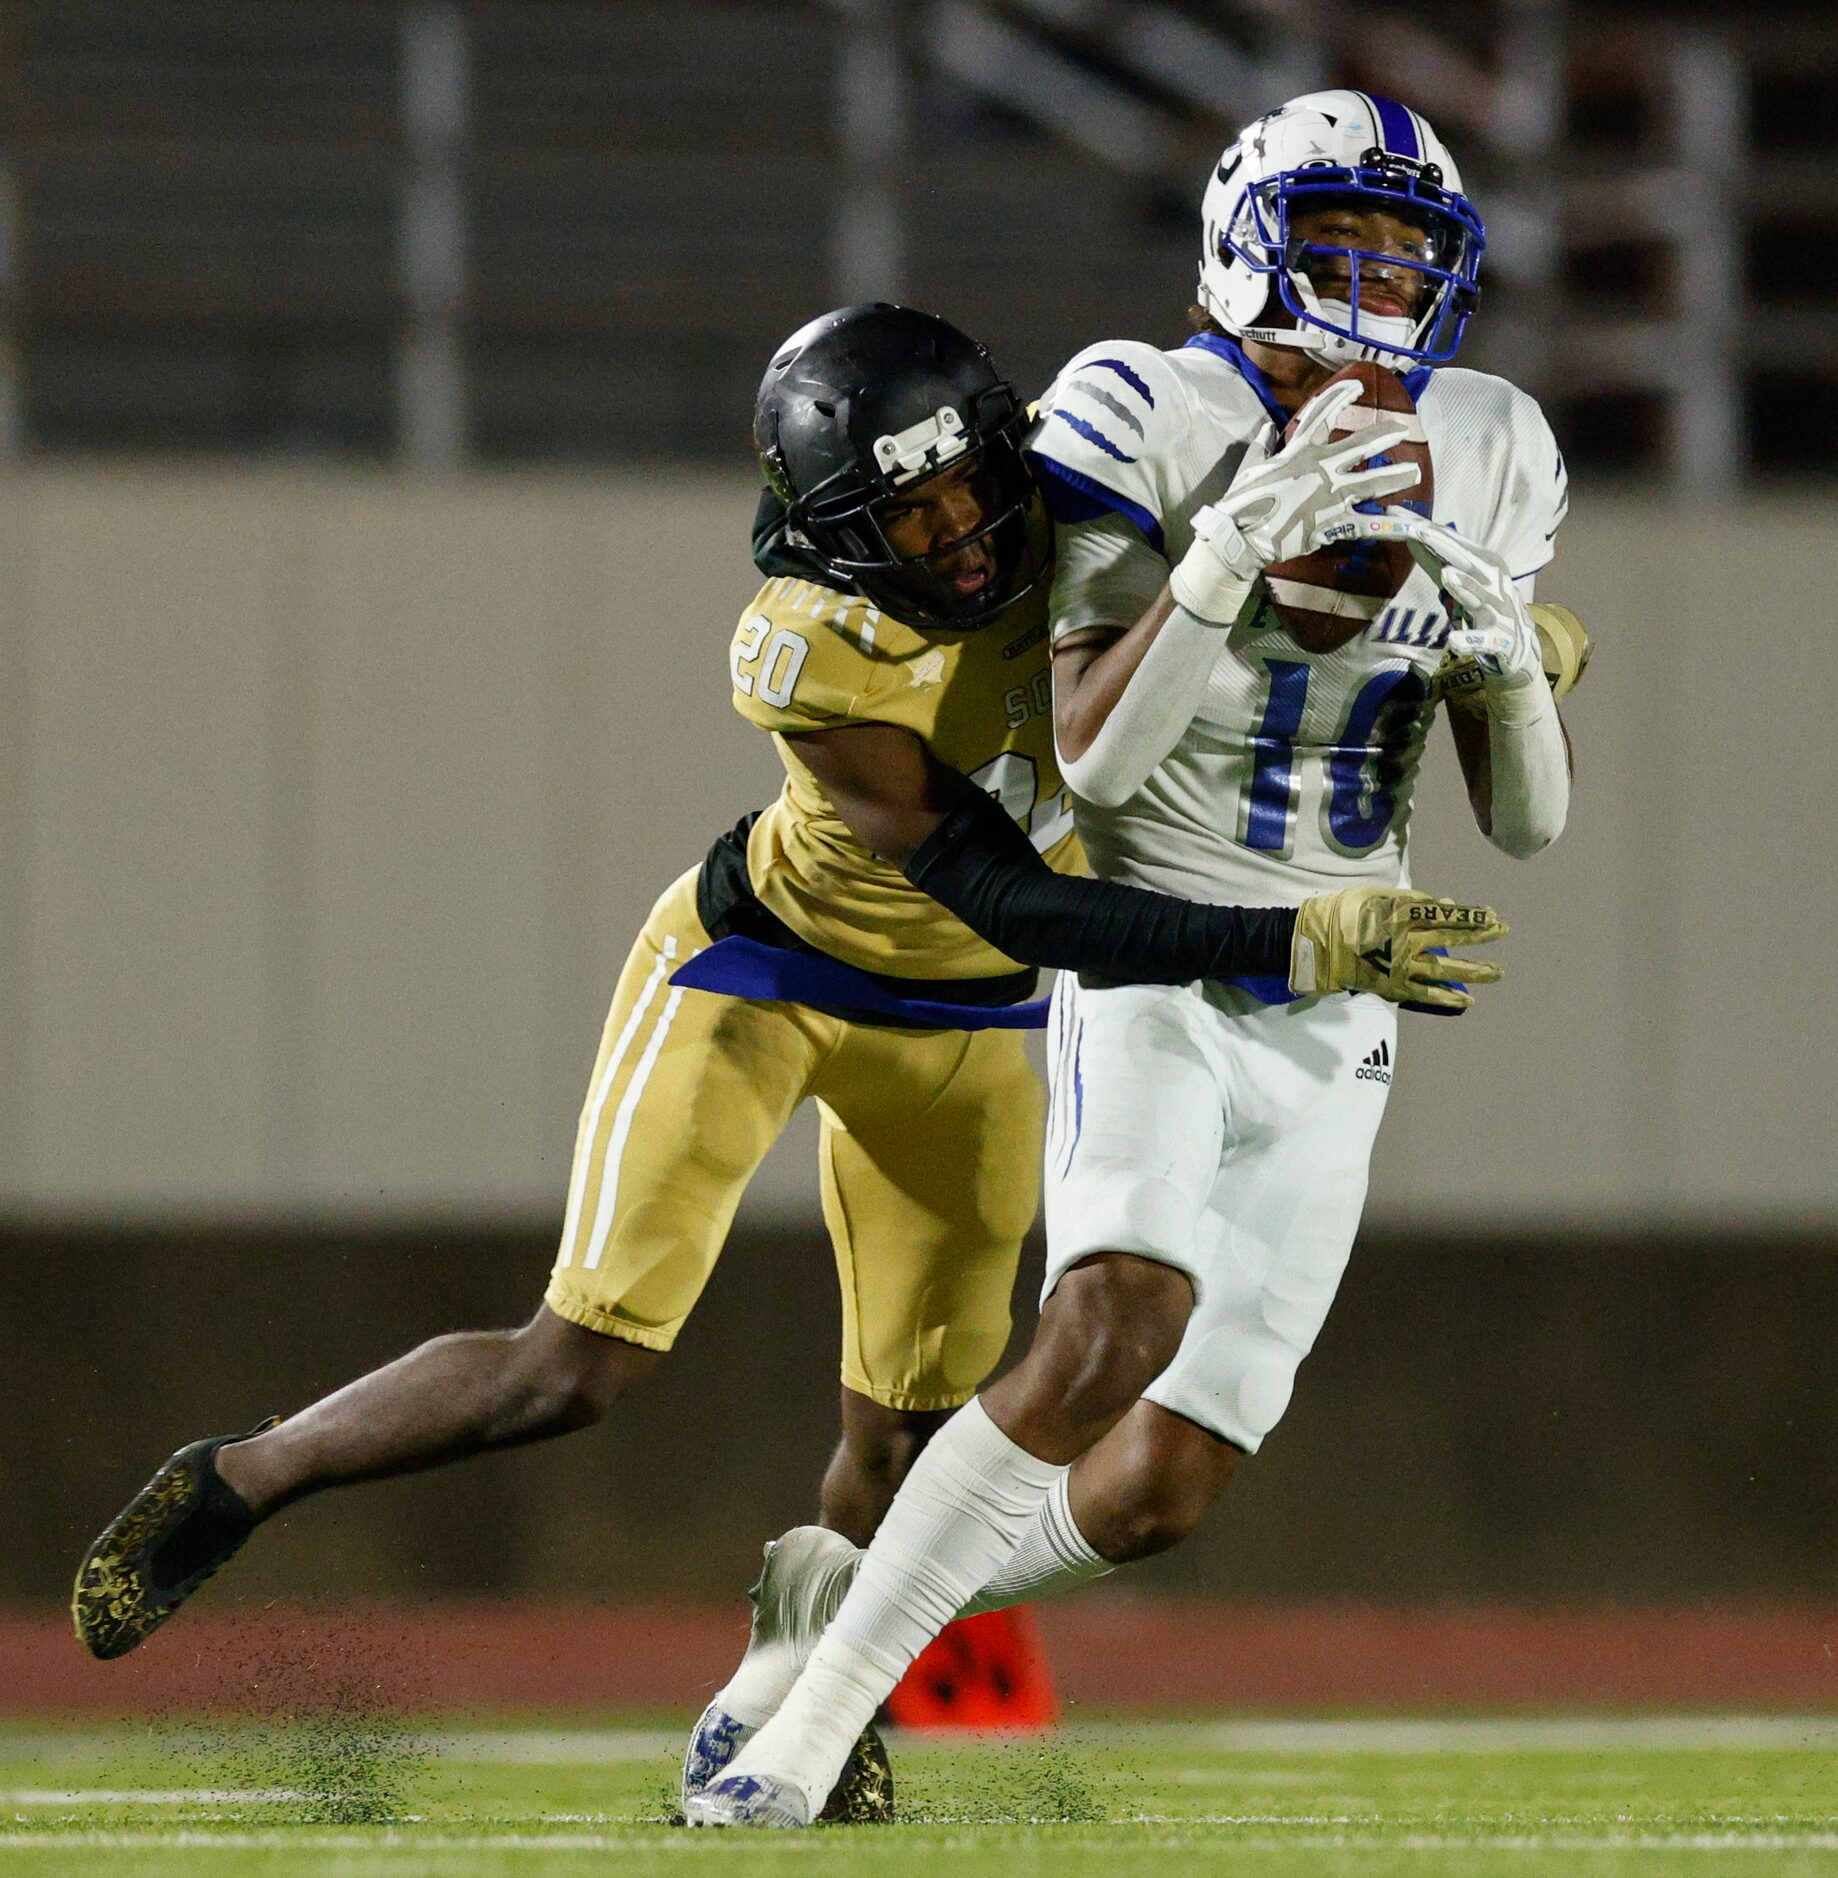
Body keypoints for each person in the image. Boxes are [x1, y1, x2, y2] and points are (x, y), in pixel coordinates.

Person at [73, 302, 1496, 1816]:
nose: (956, 533)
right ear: (834, 531)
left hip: (984, 1025)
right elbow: (1007, 887)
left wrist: (1497, 642)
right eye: (907, 511)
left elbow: (1309, 640)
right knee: (574, 1367)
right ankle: (248, 1473)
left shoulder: (1105, 526)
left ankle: (812, 1694)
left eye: (965, 485)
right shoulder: (812, 638)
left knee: (904, 1448)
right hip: (768, 969)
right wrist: (1282, 944)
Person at [685, 91, 1582, 1829]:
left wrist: (1508, 671)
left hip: (1346, 995)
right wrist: (1229, 547)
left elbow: (1526, 825)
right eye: (1342, 244)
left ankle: (829, 1618)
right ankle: (791, 1754)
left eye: (1408, 252)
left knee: (1166, 1480)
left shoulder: (1493, 441)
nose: (1380, 281)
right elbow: (1091, 757)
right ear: (1250, 247)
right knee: (1112, 1318)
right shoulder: (1143, 402)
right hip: (1161, 948)